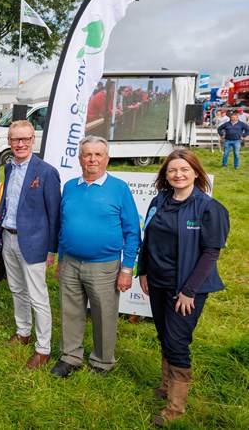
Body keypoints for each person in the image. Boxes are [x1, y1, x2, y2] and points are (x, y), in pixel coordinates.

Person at [138, 150, 229, 427]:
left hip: (187, 288)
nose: (178, 175)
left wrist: (189, 291)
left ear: (196, 173)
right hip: (157, 281)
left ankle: (175, 409)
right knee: (164, 334)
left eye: (184, 170)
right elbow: (148, 236)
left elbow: (211, 253)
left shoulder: (208, 208)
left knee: (177, 342)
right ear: (165, 175)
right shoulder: (159, 200)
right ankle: (166, 386)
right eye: (172, 170)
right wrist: (143, 270)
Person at [50, 135, 141, 377]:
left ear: (107, 159)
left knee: (104, 315)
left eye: (98, 154)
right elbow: (63, 226)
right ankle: (70, 356)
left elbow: (133, 231)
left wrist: (126, 269)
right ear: (79, 159)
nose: (92, 159)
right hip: (70, 262)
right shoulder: (70, 187)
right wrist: (61, 260)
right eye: (87, 154)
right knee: (70, 311)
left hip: (105, 266)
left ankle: (102, 362)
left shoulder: (119, 189)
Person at [0, 121, 61, 369]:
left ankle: (43, 348)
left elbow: (54, 214)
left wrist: (52, 249)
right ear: (9, 142)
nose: (19, 144)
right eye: (15, 139)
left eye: (25, 139)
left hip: (34, 243)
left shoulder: (46, 171)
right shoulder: (9, 168)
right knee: (17, 289)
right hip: (9, 237)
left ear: (34, 140)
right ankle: (23, 332)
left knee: (38, 296)